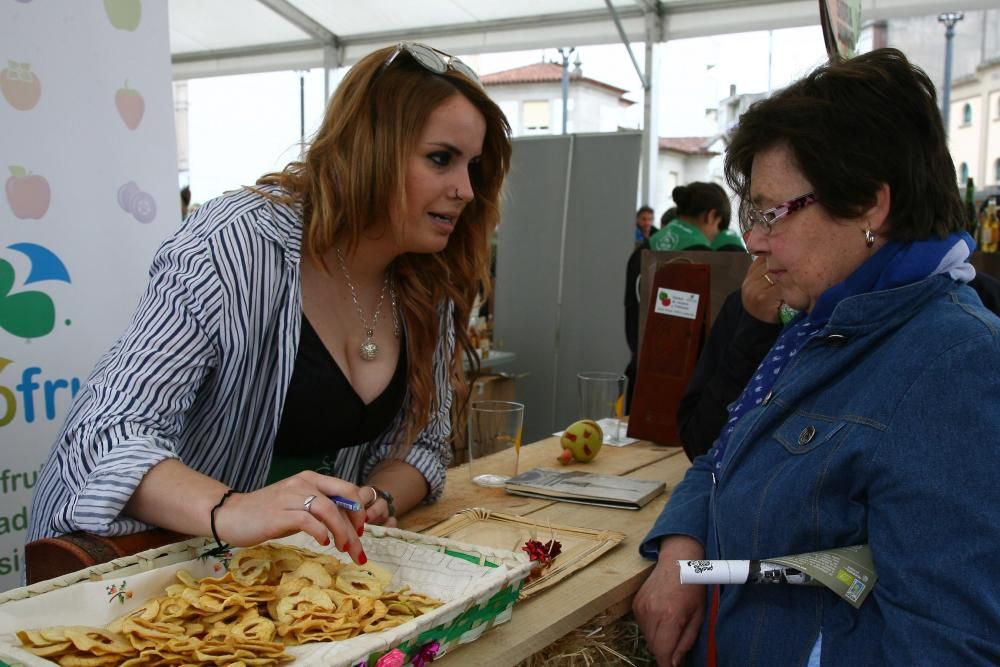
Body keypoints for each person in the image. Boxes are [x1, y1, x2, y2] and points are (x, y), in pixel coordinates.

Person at [27, 42, 512, 568]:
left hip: (292, 578)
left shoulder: (427, 280)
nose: (465, 189)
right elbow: (104, 435)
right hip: (158, 574)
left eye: (474, 167)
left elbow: (422, 445)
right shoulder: (235, 242)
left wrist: (379, 498)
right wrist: (233, 509)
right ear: (372, 148)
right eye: (441, 159)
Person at [633, 48, 1000, 666]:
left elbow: (947, 643)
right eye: (751, 213)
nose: (753, 238)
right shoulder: (827, 321)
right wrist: (682, 554)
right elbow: (724, 454)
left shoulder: (954, 365)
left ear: (867, 206)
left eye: (772, 212)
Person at [649, 182, 743, 252]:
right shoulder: (703, 253)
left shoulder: (648, 244)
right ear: (711, 216)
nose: (717, 233)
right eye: (718, 224)